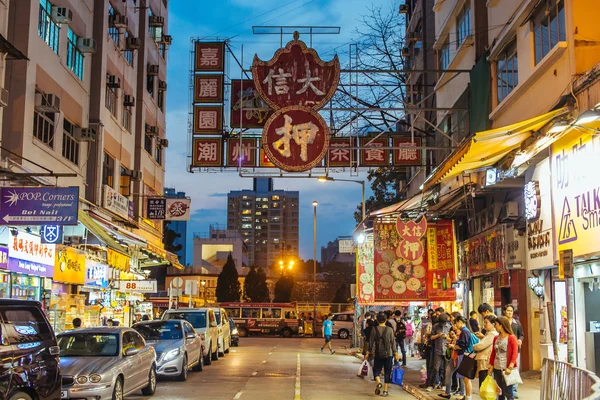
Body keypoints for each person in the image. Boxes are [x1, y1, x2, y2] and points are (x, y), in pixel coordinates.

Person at [364, 312, 400, 397]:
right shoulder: (390, 330)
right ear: (386, 320)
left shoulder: (374, 329)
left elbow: (371, 342)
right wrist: (396, 353)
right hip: (389, 354)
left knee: (376, 371)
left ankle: (379, 382)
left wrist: (368, 352)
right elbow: (393, 343)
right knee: (387, 372)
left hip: (378, 354)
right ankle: (385, 391)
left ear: (377, 320)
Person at [439, 315, 472, 399]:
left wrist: (452, 346)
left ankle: (462, 394)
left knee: (461, 375)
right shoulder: (463, 331)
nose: (455, 325)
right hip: (456, 355)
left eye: (456, 323)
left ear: (460, 322)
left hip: (461, 355)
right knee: (449, 372)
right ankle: (448, 392)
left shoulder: (465, 331)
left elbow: (462, 346)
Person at [488, 316, 519, 400]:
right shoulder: (496, 338)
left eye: (496, 324)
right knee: (499, 392)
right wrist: (491, 366)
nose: (495, 326)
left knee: (508, 393)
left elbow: (514, 353)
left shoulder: (511, 337)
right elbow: (493, 353)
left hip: (507, 369)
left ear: (501, 325)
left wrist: (510, 366)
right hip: (497, 367)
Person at [424, 313, 449, 391]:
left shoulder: (449, 327)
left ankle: (444, 384)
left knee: (446, 369)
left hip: (447, 350)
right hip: (438, 350)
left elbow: (452, 338)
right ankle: (432, 384)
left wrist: (446, 337)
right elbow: (431, 337)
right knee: (435, 368)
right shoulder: (435, 327)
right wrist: (438, 335)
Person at [503, 305, 524, 398]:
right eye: (508, 310)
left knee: (515, 369)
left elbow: (521, 334)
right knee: (505, 369)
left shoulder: (517, 323)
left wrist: (520, 340)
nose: (510, 312)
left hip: (516, 350)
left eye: (511, 311)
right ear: (504, 311)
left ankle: (514, 390)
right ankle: (505, 388)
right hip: (504, 350)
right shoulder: (502, 322)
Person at [473, 315, 498, 388]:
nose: (484, 325)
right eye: (484, 322)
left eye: (486, 323)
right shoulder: (488, 333)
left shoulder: (492, 334)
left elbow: (480, 346)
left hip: (486, 363)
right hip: (484, 362)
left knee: (484, 385)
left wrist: (474, 346)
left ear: (493, 324)